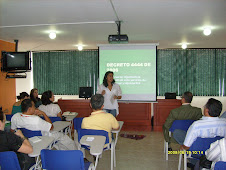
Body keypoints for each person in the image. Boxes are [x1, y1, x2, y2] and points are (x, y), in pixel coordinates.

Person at [175, 98, 226, 167]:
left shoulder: (197, 125)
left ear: (206, 110)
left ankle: (197, 162)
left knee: (179, 134)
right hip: (217, 152)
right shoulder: (224, 123)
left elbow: (186, 146)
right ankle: (200, 163)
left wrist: (182, 147)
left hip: (198, 152)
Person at [11, 99, 77, 150]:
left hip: (27, 139)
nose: (35, 108)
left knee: (59, 143)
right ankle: (76, 152)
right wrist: (43, 113)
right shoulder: (36, 119)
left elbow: (12, 130)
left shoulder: (15, 117)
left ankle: (61, 151)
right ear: (29, 109)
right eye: (34, 106)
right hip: (44, 137)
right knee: (65, 138)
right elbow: (51, 127)